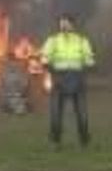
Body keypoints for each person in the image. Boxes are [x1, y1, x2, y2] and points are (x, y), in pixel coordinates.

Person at [41, 14, 96, 148]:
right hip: (59, 77)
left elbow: (89, 58)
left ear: (73, 25)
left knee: (82, 112)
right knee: (56, 112)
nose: (64, 26)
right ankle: (55, 142)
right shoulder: (52, 40)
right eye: (62, 23)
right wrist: (49, 68)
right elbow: (45, 57)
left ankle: (85, 141)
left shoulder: (82, 41)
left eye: (66, 23)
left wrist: (87, 67)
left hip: (77, 77)